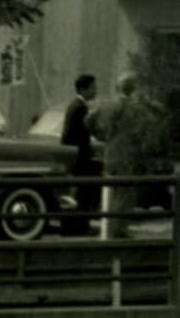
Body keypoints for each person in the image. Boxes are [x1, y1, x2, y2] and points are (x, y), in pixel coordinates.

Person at [88, 72, 146, 236]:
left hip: (110, 153)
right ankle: (118, 230)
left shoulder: (106, 104)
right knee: (125, 194)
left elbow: (88, 120)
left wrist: (100, 134)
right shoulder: (133, 108)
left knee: (111, 193)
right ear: (131, 88)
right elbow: (139, 132)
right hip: (125, 155)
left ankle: (111, 229)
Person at [61, 73, 101, 232]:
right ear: (83, 89)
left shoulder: (75, 105)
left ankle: (78, 225)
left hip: (76, 155)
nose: (95, 91)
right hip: (80, 157)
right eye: (93, 88)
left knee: (79, 192)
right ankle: (80, 226)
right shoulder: (80, 107)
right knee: (83, 192)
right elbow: (79, 134)